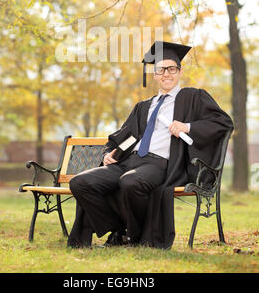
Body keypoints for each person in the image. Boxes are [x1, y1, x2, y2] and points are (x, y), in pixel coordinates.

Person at [67, 41, 233, 249]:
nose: (166, 74)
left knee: (130, 182)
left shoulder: (193, 97)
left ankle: (133, 237)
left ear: (180, 72)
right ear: (154, 75)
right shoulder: (144, 106)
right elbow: (126, 137)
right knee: (80, 183)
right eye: (161, 70)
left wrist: (188, 127)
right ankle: (118, 228)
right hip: (128, 161)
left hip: (159, 164)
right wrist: (110, 152)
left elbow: (223, 123)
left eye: (171, 69)